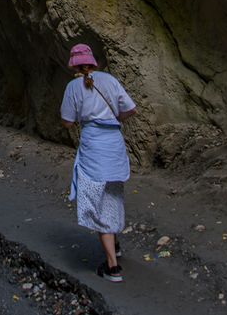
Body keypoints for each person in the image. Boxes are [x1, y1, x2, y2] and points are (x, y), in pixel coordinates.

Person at [60, 43, 137, 283]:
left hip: (93, 146)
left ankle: (113, 267)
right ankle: (115, 245)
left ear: (74, 65)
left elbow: (67, 122)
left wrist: (85, 116)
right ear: (92, 61)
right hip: (114, 145)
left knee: (97, 200)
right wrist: (113, 118)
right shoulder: (110, 80)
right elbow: (130, 109)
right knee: (113, 193)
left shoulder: (73, 87)